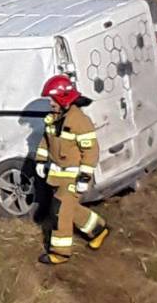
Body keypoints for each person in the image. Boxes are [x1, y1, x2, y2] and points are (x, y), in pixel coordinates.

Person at [35, 74, 109, 265]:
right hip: (58, 176)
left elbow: (91, 151)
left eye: (52, 99)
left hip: (74, 177)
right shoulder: (53, 119)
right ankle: (98, 230)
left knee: (60, 210)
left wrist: (84, 177)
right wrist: (40, 160)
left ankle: (60, 253)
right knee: (71, 209)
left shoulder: (80, 122)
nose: (50, 103)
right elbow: (45, 141)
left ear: (62, 99)